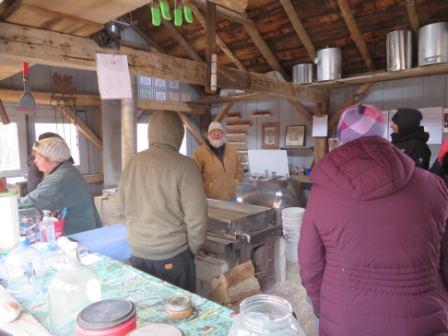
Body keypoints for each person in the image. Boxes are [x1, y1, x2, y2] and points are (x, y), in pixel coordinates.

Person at [299, 103, 448, 336]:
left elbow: (310, 265)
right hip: (421, 320)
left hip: (345, 320)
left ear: (340, 138)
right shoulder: (430, 185)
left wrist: (324, 306)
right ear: (382, 134)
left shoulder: (322, 192)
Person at [118, 111, 207, 292]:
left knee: (148, 307)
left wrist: (139, 236)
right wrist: (193, 248)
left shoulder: (133, 162)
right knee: (179, 310)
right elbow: (197, 217)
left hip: (138, 254)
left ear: (150, 133)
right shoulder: (186, 166)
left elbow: (121, 209)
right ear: (178, 135)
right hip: (173, 256)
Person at [20, 137, 101, 235]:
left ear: (51, 159)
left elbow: (27, 204)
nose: (35, 161)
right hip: (87, 229)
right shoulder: (67, 169)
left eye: (39, 157)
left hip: (79, 236)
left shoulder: (60, 179)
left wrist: (7, 201)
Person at [193, 121, 243, 201]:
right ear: (209, 135)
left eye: (219, 131)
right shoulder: (200, 152)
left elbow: (239, 166)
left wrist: (236, 181)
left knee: (232, 214)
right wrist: (206, 186)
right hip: (211, 197)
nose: (217, 134)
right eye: (213, 131)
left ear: (223, 134)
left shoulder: (232, 149)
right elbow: (194, 173)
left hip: (231, 195)